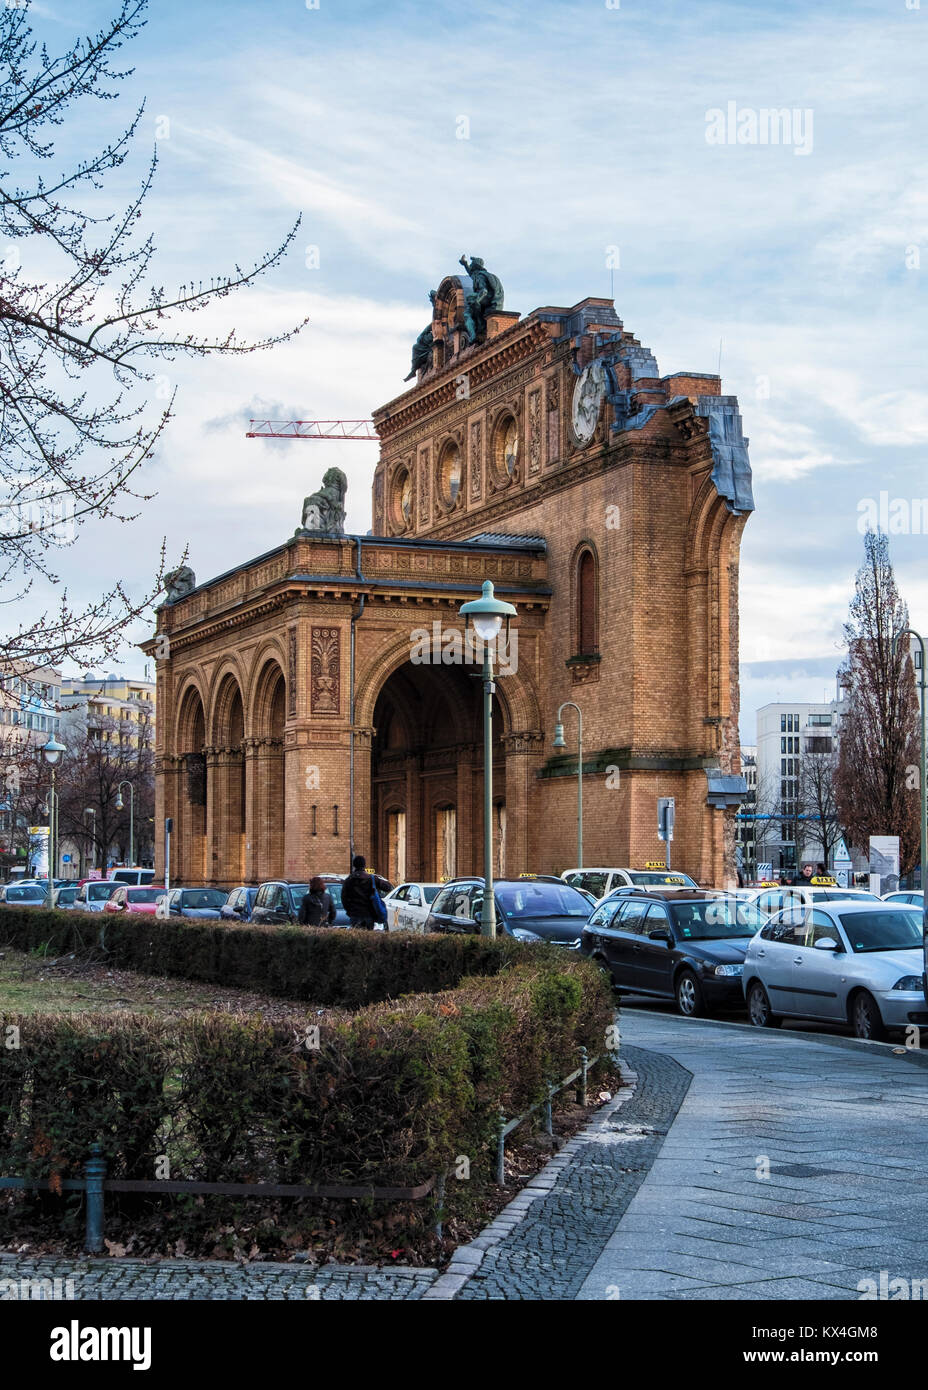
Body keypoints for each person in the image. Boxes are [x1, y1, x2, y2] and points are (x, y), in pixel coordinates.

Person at [340, 855, 391, 930]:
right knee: (368, 936)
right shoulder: (371, 879)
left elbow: (344, 898)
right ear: (364, 865)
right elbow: (388, 887)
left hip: (355, 914)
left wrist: (349, 911)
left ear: (354, 865)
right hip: (369, 914)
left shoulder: (348, 880)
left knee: (356, 937)